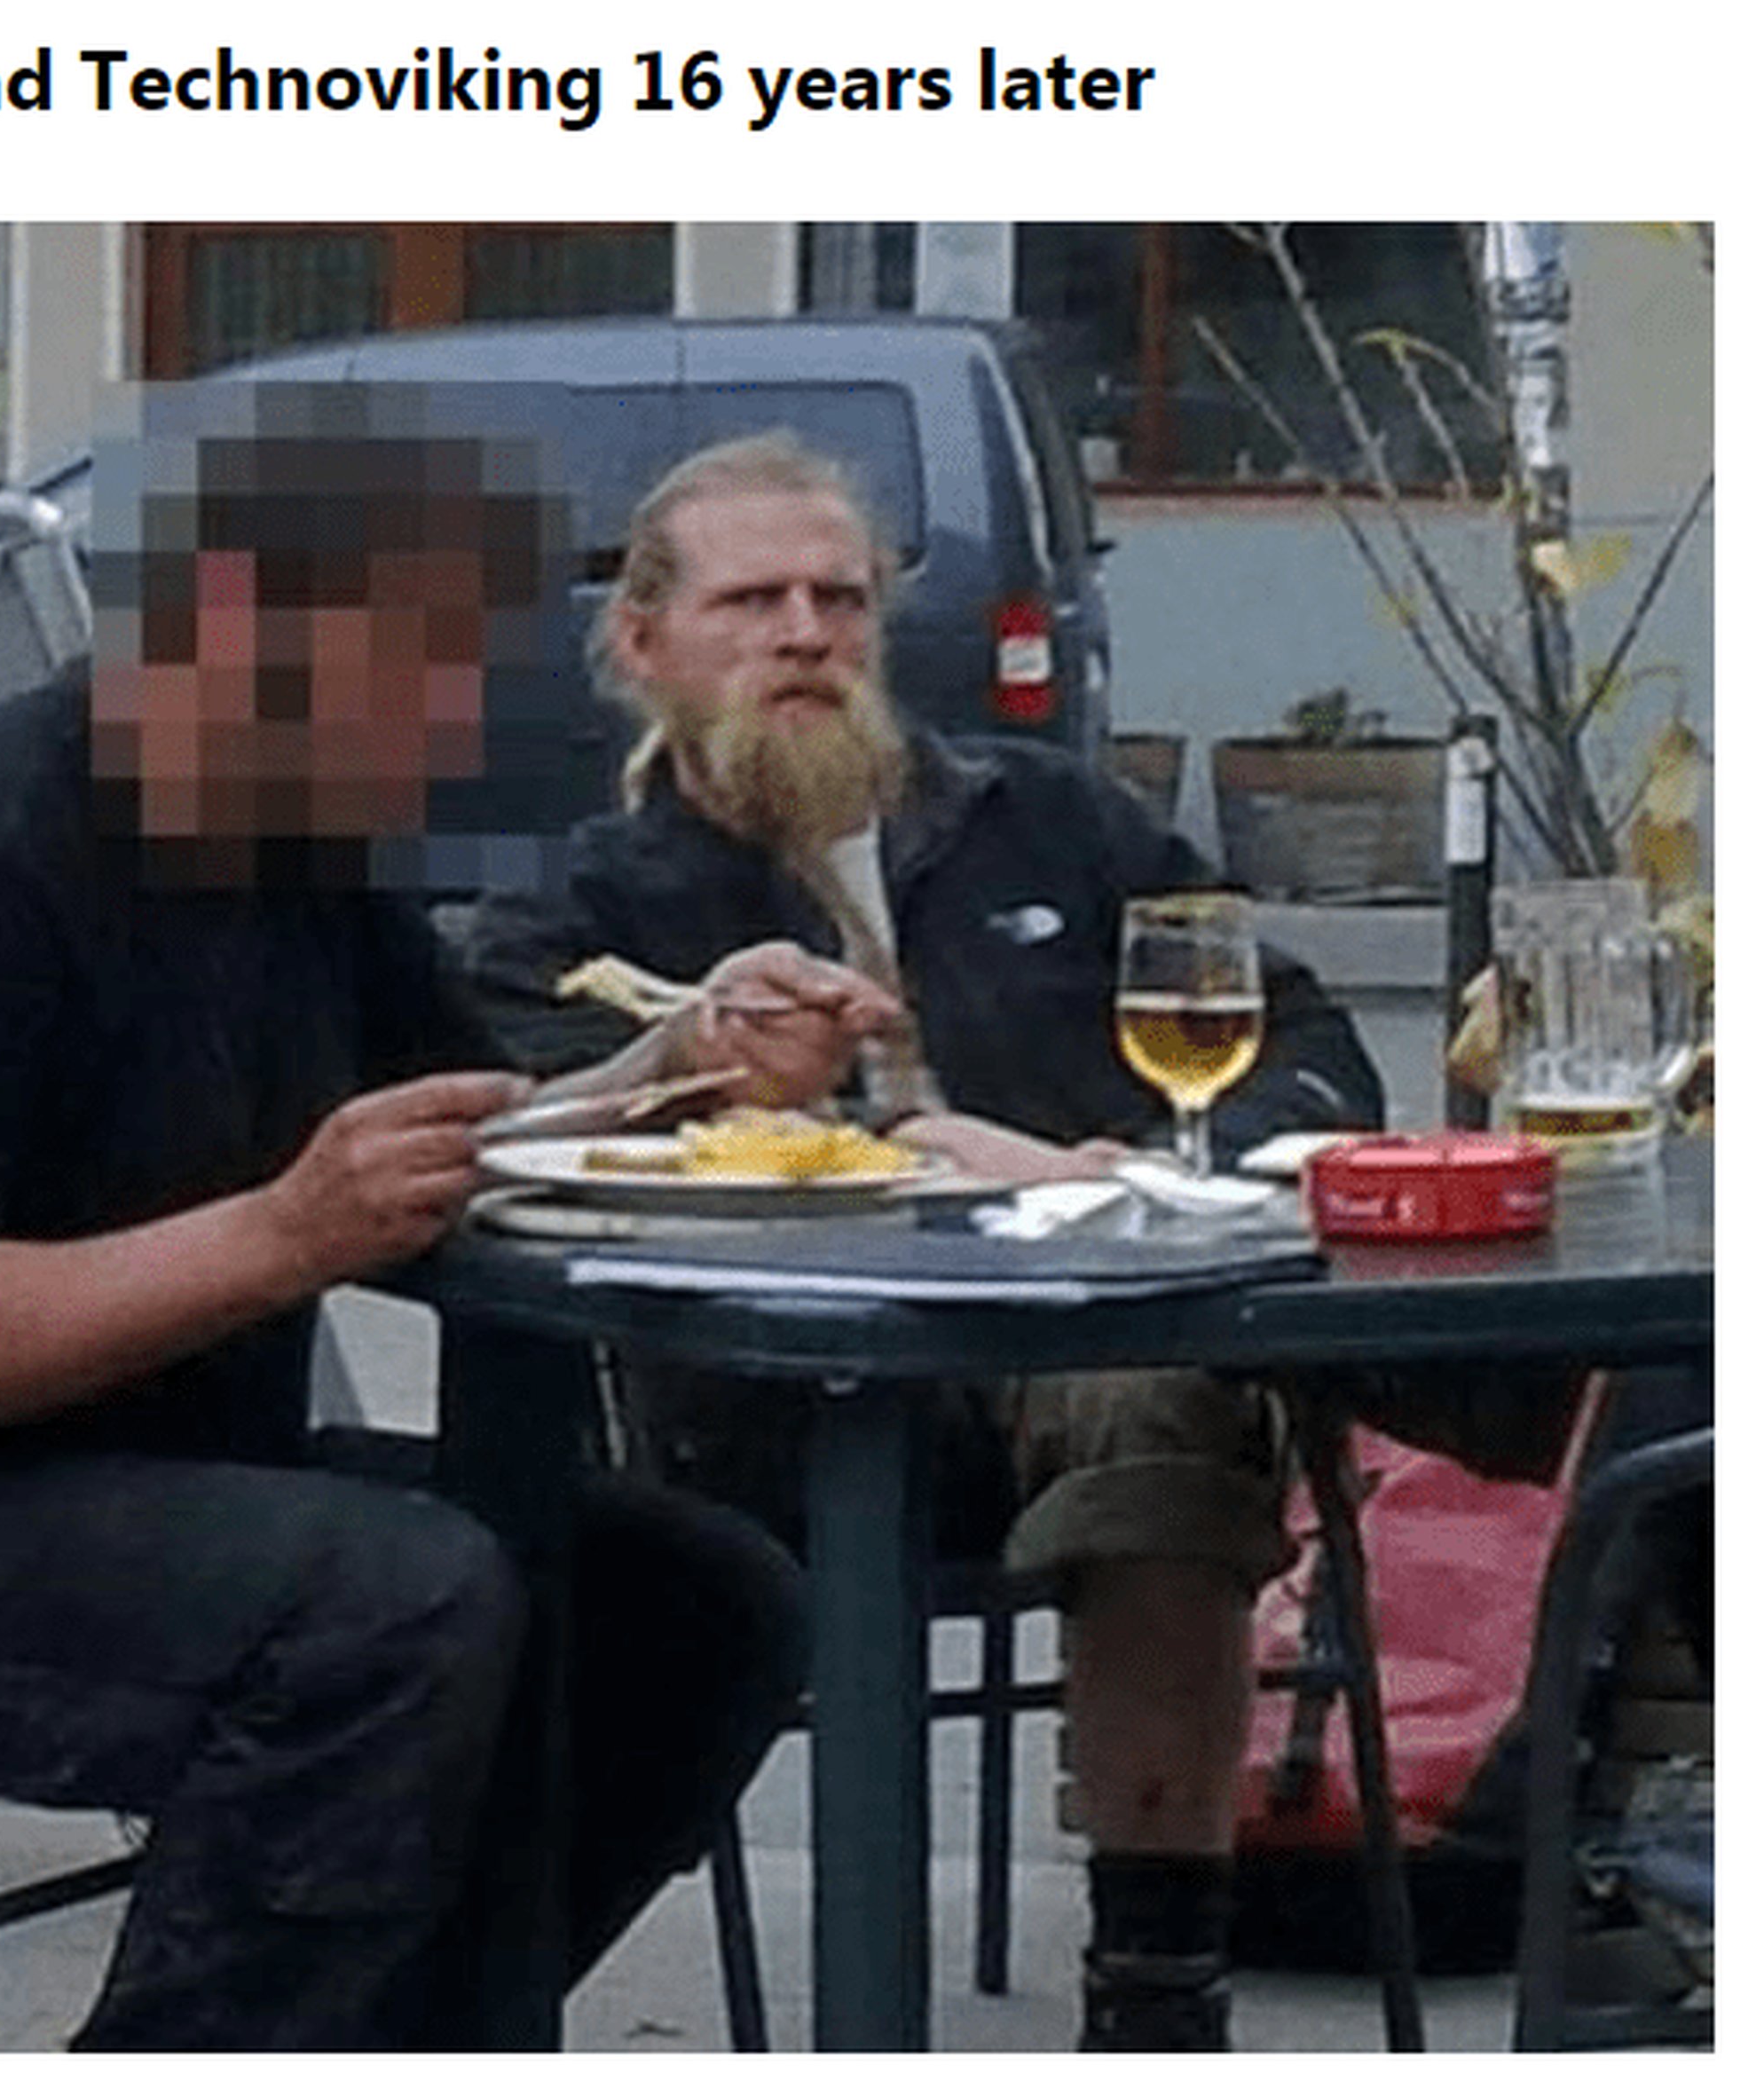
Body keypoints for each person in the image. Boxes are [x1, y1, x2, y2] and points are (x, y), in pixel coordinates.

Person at [0, 392, 892, 2050]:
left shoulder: (294, 834)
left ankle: (407, 2035)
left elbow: (463, 1141)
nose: (450, 717)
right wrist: (283, 1235)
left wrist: (685, 1061)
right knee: (402, 1599)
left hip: (189, 1473)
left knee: (701, 1599)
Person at [461, 430, 1389, 2051]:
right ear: (643, 643)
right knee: (1152, 1405)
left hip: (1094, 1342)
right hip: (774, 1405)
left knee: (1158, 1401)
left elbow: (1303, 1046)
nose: (805, 634)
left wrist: (1127, 1166)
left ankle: (1155, 1997)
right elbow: (493, 1125)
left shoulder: (1052, 822)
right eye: (754, 601)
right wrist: (689, 1066)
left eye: (841, 598)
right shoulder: (592, 902)